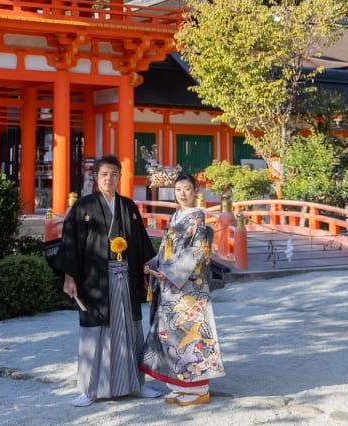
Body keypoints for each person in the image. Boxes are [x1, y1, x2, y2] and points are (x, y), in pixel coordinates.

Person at [59, 154, 162, 407]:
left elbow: (141, 243)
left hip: (126, 277)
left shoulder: (128, 207)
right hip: (96, 280)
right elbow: (70, 244)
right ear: (96, 177)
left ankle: (135, 385)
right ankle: (90, 389)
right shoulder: (83, 207)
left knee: (129, 330)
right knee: (96, 332)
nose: (109, 179)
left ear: (120, 177)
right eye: (104, 174)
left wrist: (150, 270)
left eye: (114, 174)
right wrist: (69, 277)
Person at [140, 172, 225, 406]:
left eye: (187, 189)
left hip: (188, 287)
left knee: (191, 335)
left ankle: (198, 389)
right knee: (172, 336)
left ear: (195, 191)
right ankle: (179, 386)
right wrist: (153, 264)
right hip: (170, 284)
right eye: (178, 189)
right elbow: (166, 249)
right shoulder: (176, 216)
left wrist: (168, 272)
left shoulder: (197, 216)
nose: (183, 193)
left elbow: (196, 251)